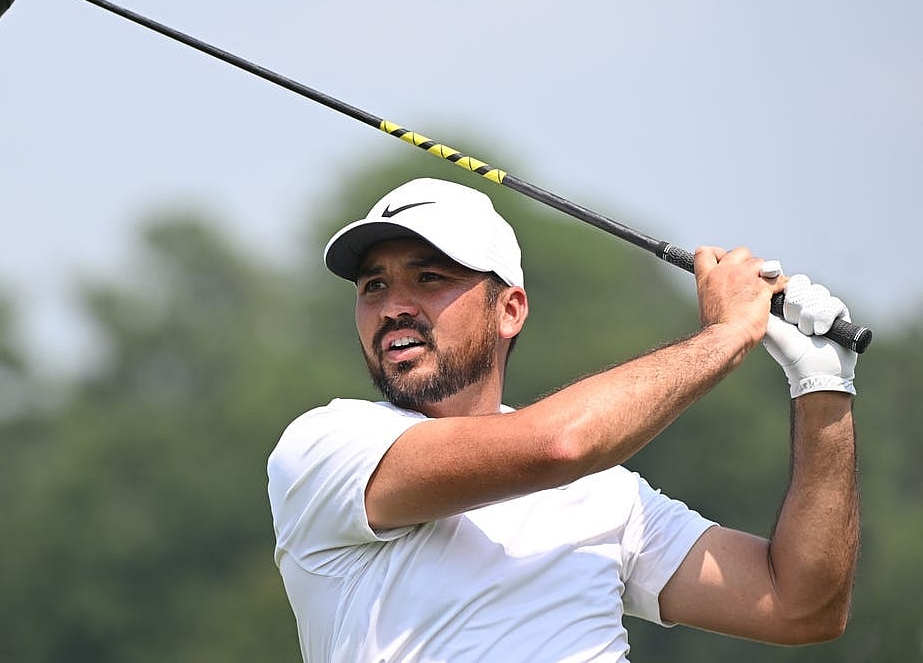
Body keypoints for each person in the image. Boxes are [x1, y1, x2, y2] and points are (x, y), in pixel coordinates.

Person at [267, 177, 859, 662]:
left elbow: (800, 606)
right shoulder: (327, 448)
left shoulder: (608, 494)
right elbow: (558, 445)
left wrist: (823, 388)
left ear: (510, 309)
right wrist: (726, 336)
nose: (393, 306)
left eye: (429, 278)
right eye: (374, 286)